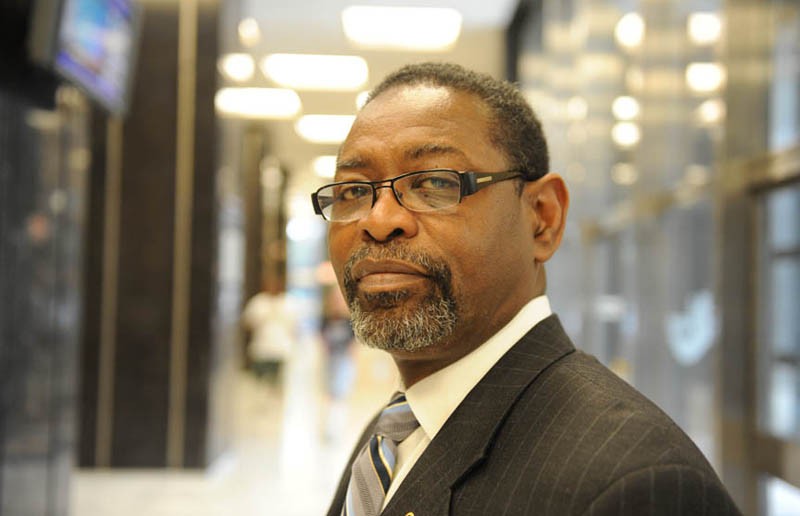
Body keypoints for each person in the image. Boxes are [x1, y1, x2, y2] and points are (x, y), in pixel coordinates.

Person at [312, 62, 741, 516]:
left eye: (435, 183)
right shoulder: (394, 434)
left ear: (542, 218)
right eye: (352, 191)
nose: (379, 220)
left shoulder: (636, 483)